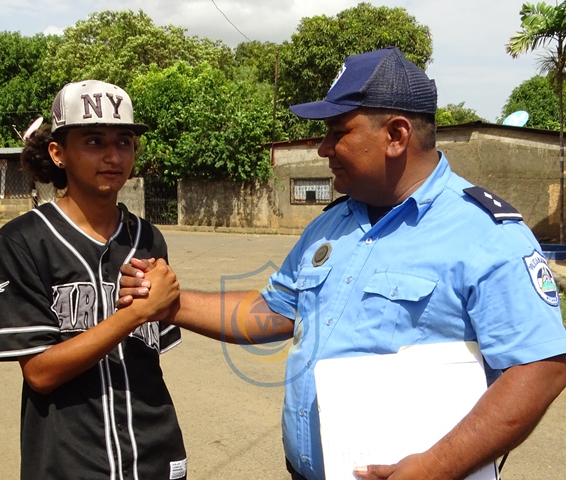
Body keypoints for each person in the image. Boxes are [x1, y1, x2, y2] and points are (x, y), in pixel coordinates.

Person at [119, 47, 566, 480]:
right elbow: (276, 311)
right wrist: (169, 305)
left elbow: (542, 368)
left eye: (338, 132)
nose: (323, 149)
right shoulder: (332, 224)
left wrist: (437, 467)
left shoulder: (486, 234)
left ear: (396, 136)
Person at [0, 80, 187, 480]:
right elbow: (39, 373)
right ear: (58, 153)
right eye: (94, 141)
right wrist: (133, 315)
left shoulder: (147, 238)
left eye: (124, 142)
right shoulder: (23, 240)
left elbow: (148, 357)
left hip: (154, 455)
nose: (113, 156)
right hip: (69, 462)